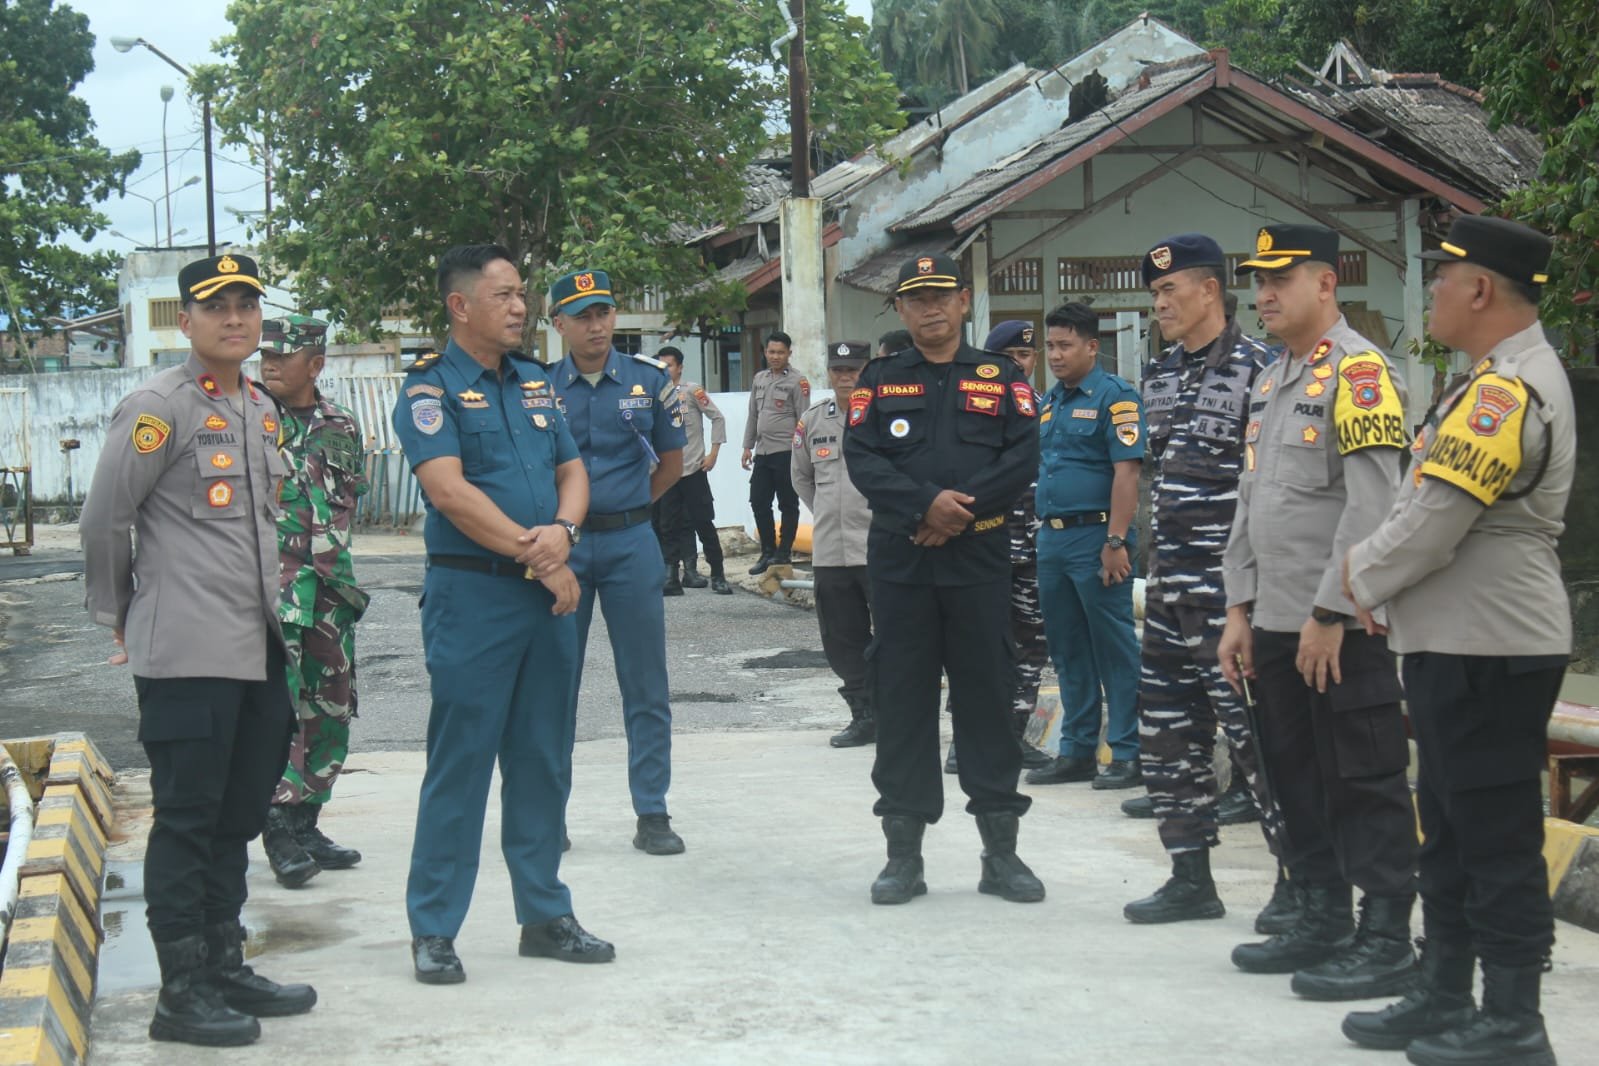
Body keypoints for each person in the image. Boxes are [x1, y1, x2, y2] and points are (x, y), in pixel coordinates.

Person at [1342, 217, 1571, 1066]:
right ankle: (1443, 991)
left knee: (1494, 834)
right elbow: (1423, 500)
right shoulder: (1483, 381)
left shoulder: (1507, 391)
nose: (1430, 291)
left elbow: (1436, 518)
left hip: (1490, 642)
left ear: (1479, 289)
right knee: (1445, 825)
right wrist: (1380, 583)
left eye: (1441, 278)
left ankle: (1512, 1018)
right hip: (1456, 637)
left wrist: (1360, 578)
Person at [81, 253, 315, 1046]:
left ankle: (224, 964)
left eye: (247, 304)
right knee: (187, 820)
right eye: (217, 307)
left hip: (256, 648)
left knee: (237, 815)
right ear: (185, 321)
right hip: (185, 652)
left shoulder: (257, 406)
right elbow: (105, 519)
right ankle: (180, 991)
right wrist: (120, 615)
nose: (236, 319)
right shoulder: (158, 407)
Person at [395, 244, 611, 986]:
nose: (521, 307)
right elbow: (448, 492)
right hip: (476, 597)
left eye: (522, 294)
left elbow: (571, 469)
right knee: (461, 763)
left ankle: (545, 914)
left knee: (543, 758)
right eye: (505, 295)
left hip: (544, 598)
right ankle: (434, 927)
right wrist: (543, 556)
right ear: (460, 306)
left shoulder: (535, 383)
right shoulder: (430, 389)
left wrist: (567, 532)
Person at [1219, 224, 1418, 1002]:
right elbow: (1251, 503)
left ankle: (1385, 936)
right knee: (1293, 774)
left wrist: (1332, 610)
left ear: (1325, 283)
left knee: (1362, 777)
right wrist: (1238, 608)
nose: (1263, 295)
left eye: (1280, 279)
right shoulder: (1272, 380)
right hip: (1273, 620)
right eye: (1258, 281)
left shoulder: (1360, 373)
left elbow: (1373, 504)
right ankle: (1320, 914)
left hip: (1338, 628)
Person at [844, 253, 1043, 906]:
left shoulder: (1001, 377)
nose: (929, 307)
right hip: (902, 565)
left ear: (962, 301)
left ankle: (1001, 854)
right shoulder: (879, 379)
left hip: (978, 561)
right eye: (915, 298)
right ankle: (903, 857)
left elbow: (1022, 456)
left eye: (940, 295)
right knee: (902, 701)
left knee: (987, 697)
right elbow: (862, 457)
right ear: (900, 309)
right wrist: (923, 506)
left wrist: (957, 514)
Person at [1121, 235, 1286, 926]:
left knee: (1258, 741)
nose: (1159, 304)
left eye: (1170, 291)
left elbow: (1267, 486)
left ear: (1210, 290)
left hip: (1229, 595)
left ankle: (1297, 884)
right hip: (1168, 590)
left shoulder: (1262, 371)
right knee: (1168, 736)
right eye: (1155, 294)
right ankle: (1190, 876)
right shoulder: (1158, 375)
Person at [549, 267, 689, 855]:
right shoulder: (537, 387)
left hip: (631, 543)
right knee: (555, 685)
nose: (596, 325)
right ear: (558, 323)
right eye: (582, 316)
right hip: (564, 550)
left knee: (646, 682)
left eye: (603, 313)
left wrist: (628, 507)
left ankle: (652, 811)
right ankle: (547, 814)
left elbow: (672, 465)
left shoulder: (649, 381)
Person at [256, 315, 371, 891]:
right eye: (266, 355)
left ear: (316, 364)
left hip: (331, 590)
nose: (270, 364)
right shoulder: (247, 418)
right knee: (278, 710)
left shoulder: (341, 425)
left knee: (330, 707)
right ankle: (275, 828)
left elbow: (348, 503)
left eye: (283, 356)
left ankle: (307, 823)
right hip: (271, 591)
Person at [1027, 302, 1144, 790]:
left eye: (1065, 345)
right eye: (1050, 346)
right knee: (1067, 648)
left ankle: (1128, 753)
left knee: (1114, 648)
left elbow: (1127, 473)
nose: (1055, 355)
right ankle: (1076, 751)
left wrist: (1115, 540)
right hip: (1053, 539)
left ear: (1092, 346)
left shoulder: (1115, 397)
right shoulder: (1050, 401)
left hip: (1097, 539)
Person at [944, 320, 1052, 774]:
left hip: (1036, 548)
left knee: (1031, 645)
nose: (1018, 364)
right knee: (976, 644)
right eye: (1008, 357)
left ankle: (1013, 736)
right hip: (985, 545)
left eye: (1025, 356)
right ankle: (964, 742)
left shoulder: (1046, 407)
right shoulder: (971, 408)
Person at [792, 341, 875, 747]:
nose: (846, 377)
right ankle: (864, 715)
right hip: (829, 549)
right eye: (839, 370)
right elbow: (801, 477)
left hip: (876, 546)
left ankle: (897, 712)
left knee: (896, 634)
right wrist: (827, 512)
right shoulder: (813, 420)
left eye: (853, 369)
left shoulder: (884, 416)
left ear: (867, 370)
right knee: (841, 638)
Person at [653, 345, 731, 595]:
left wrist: (713, 454)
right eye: (661, 366)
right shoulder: (654, 393)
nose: (665, 370)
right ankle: (671, 577)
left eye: (669, 365)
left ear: (680, 367)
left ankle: (718, 575)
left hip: (692, 469)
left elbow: (717, 418)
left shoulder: (692, 391)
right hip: (667, 473)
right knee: (667, 525)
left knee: (703, 522)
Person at [742, 329, 810, 574]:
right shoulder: (759, 378)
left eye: (781, 352)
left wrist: (802, 454)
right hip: (762, 452)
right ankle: (767, 551)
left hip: (786, 452)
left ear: (789, 353)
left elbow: (804, 419)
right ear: (765, 352)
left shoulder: (798, 381)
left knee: (787, 503)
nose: (775, 356)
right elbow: (753, 415)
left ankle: (784, 553)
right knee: (758, 500)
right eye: (771, 351)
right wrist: (747, 446)